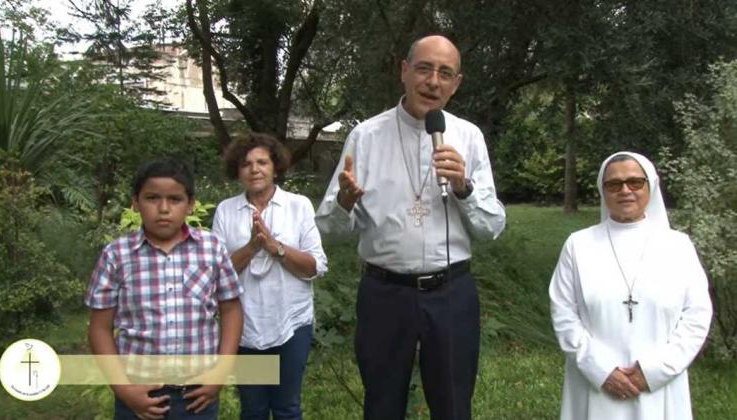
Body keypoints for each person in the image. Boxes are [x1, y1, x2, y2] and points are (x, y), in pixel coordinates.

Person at [315, 35, 506, 419]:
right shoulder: (366, 136)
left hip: (451, 292)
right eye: (424, 68)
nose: (433, 81)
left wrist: (463, 188)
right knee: (382, 404)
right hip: (384, 293)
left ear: (456, 83)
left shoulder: (467, 137)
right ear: (404, 71)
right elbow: (329, 229)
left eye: (445, 73)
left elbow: (491, 227)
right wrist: (345, 202)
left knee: (453, 405)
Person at [549, 151, 713, 419]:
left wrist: (653, 372)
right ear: (603, 190)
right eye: (614, 184)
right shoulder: (578, 245)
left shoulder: (678, 246)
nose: (625, 190)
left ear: (651, 186)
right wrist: (601, 370)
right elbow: (564, 313)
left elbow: (697, 316)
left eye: (635, 182)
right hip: (595, 384)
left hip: (659, 386)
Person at [86, 158, 244, 420]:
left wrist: (220, 373)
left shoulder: (211, 248)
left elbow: (231, 311)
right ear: (135, 203)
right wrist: (124, 390)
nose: (163, 208)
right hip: (138, 394)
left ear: (190, 204)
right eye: (152, 198)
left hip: (198, 395)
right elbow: (99, 327)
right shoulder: (116, 255)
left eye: (174, 199)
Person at [212, 133, 328, 420]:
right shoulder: (226, 211)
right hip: (246, 325)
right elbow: (216, 274)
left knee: (287, 407)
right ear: (236, 171)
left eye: (262, 162)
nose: (254, 169)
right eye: (246, 164)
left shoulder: (298, 205)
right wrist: (253, 246)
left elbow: (314, 266)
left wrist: (274, 246)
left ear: (275, 166)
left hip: (291, 323)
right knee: (253, 409)